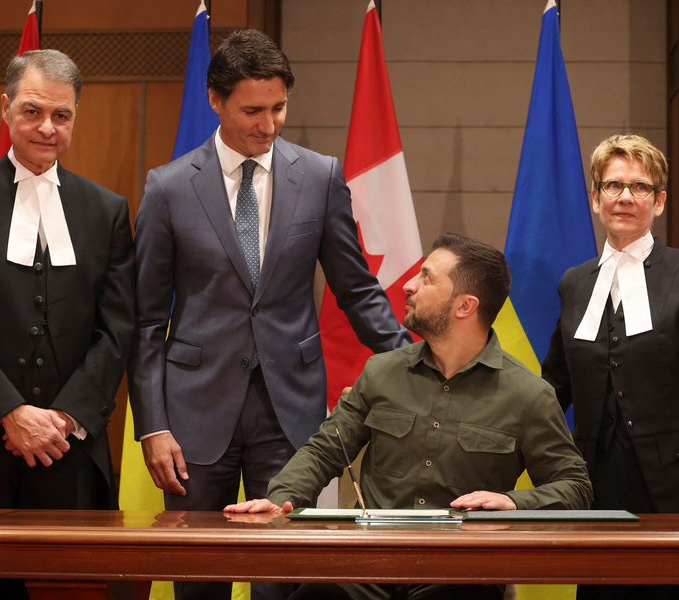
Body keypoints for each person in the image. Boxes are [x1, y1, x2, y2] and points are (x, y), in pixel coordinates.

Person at [128, 29, 412, 600]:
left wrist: (414, 362)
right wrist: (153, 425)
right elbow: (146, 322)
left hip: (290, 410)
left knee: (283, 578)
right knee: (198, 580)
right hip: (193, 416)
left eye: (279, 108)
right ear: (216, 100)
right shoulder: (169, 187)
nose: (269, 125)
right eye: (252, 111)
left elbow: (356, 290)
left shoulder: (321, 176)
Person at [226, 234, 593, 600]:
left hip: (461, 571)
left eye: (427, 278)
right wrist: (283, 498)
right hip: (367, 564)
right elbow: (324, 451)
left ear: (465, 306)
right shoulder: (381, 372)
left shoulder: (528, 395)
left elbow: (575, 487)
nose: (409, 285)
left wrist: (514, 503)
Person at [0, 49, 135, 599]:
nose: (47, 127)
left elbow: (118, 329)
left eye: (61, 115)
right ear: (6, 109)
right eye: (32, 111)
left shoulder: (107, 210)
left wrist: (64, 418)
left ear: (75, 117)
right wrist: (9, 412)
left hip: (67, 454)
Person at [542, 134, 679, 600]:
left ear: (659, 201)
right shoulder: (574, 283)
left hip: (677, 486)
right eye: (613, 185)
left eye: (640, 187)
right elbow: (552, 387)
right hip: (595, 485)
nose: (625, 197)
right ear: (595, 198)